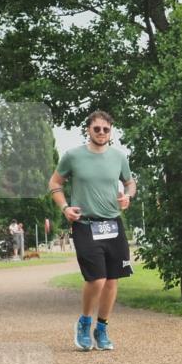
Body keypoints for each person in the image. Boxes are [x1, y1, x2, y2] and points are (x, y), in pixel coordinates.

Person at [47, 111, 136, 351]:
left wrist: (127, 196)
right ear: (88, 129)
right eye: (97, 129)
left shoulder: (118, 157)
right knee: (96, 279)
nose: (101, 133)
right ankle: (85, 323)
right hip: (85, 224)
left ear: (111, 131)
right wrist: (65, 207)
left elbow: (130, 182)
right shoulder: (73, 156)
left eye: (106, 129)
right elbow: (55, 183)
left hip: (113, 224)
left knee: (112, 280)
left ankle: (102, 328)